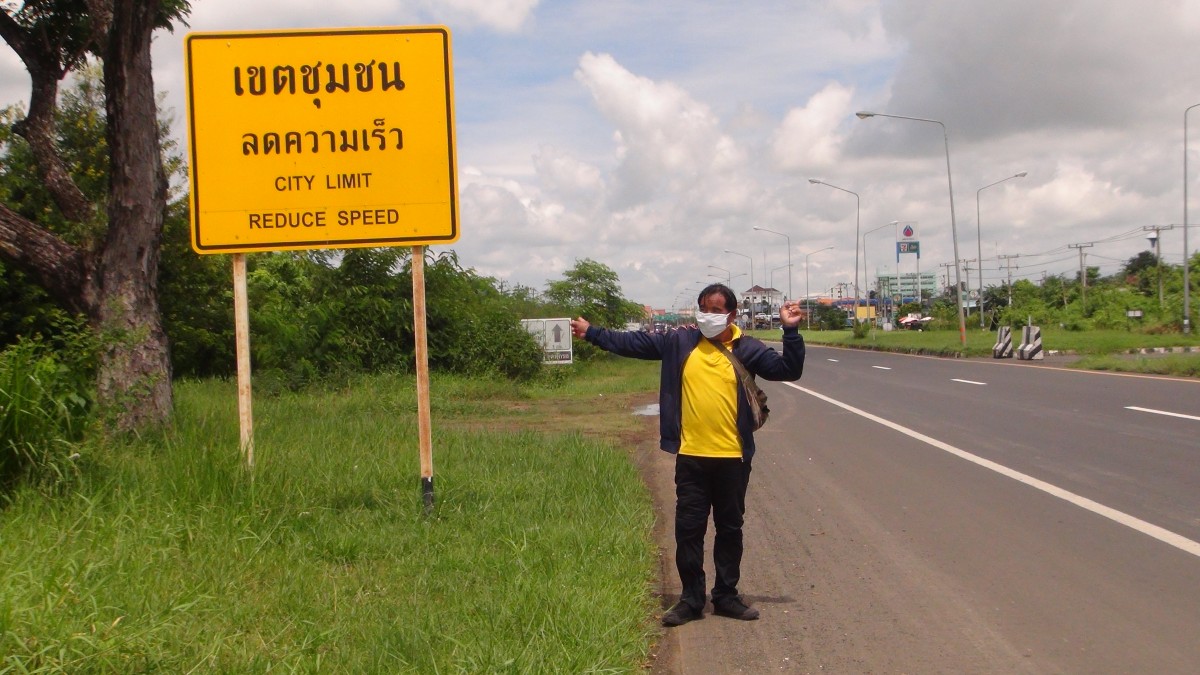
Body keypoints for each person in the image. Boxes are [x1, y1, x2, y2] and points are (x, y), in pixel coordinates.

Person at [570, 283, 805, 627]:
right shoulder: (679, 341)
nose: (709, 316)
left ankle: (726, 596)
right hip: (691, 457)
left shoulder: (747, 348)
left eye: (716, 310)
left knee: (730, 527)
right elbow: (631, 343)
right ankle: (691, 599)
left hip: (732, 458)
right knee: (689, 530)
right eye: (704, 309)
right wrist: (592, 332)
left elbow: (789, 370)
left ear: (732, 314)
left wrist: (791, 330)